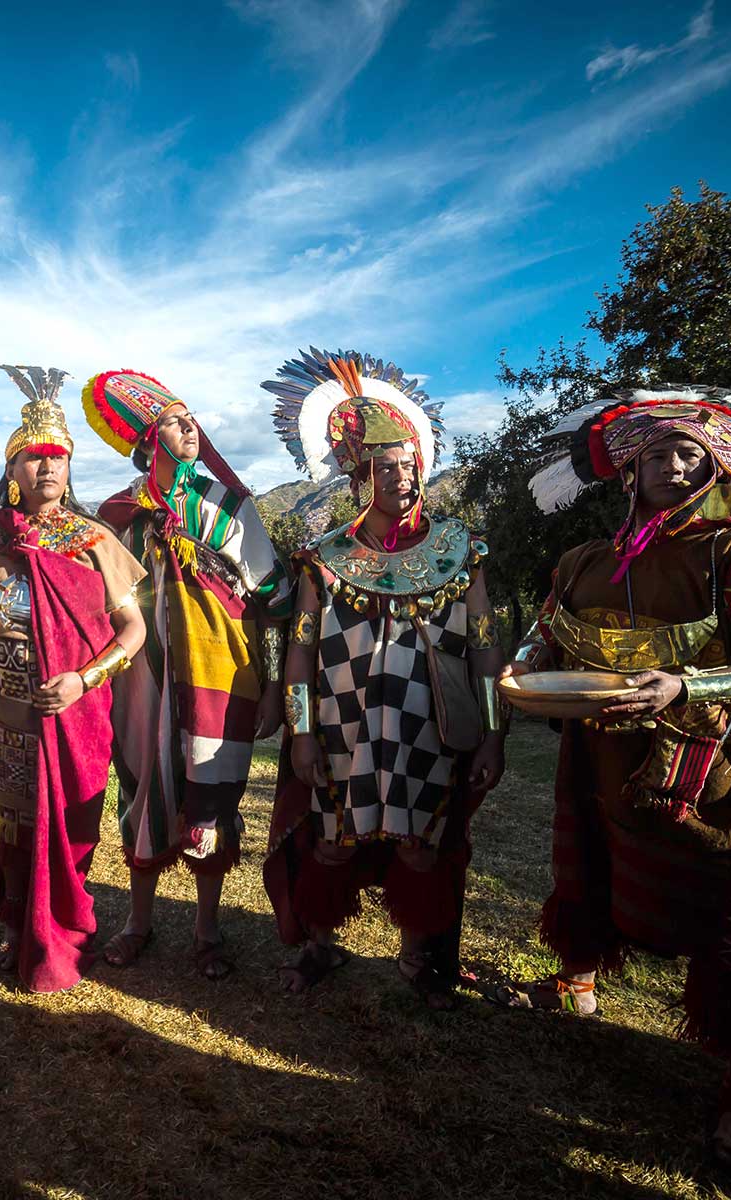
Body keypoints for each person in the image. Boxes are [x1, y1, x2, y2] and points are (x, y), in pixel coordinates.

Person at [500, 386, 731, 1179]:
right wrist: (521, 674)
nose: (673, 463)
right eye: (657, 451)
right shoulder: (581, 562)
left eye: (690, 452)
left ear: (718, 466)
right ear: (630, 468)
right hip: (599, 757)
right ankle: (578, 985)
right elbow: (540, 639)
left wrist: (684, 688)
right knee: (589, 869)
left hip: (710, 765)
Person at [260, 349, 507, 1008]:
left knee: (422, 850)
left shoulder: (462, 552)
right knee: (334, 846)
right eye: (383, 469)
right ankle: (320, 944)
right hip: (342, 734)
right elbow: (300, 654)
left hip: (429, 734)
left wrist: (492, 734)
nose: (399, 478)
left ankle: (420, 954)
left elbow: (485, 647)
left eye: (408, 466)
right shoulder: (324, 559)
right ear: (358, 480)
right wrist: (303, 735)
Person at [0, 365, 146, 993]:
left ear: (69, 469)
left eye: (57, 459)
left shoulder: (95, 540)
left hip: (75, 715)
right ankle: (18, 926)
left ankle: (66, 926)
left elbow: (133, 630)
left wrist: (84, 678)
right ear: (12, 470)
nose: (46, 469)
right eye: (33, 458)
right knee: (13, 824)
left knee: (70, 826)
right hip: (5, 713)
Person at [85, 369, 291, 979]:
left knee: (211, 795)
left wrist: (277, 686)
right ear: (149, 443)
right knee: (143, 788)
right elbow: (98, 596)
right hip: (144, 677)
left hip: (221, 674)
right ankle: (136, 922)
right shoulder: (120, 514)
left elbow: (274, 599)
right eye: (175, 422)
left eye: (191, 418)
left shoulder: (231, 505)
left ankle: (207, 930)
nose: (190, 428)